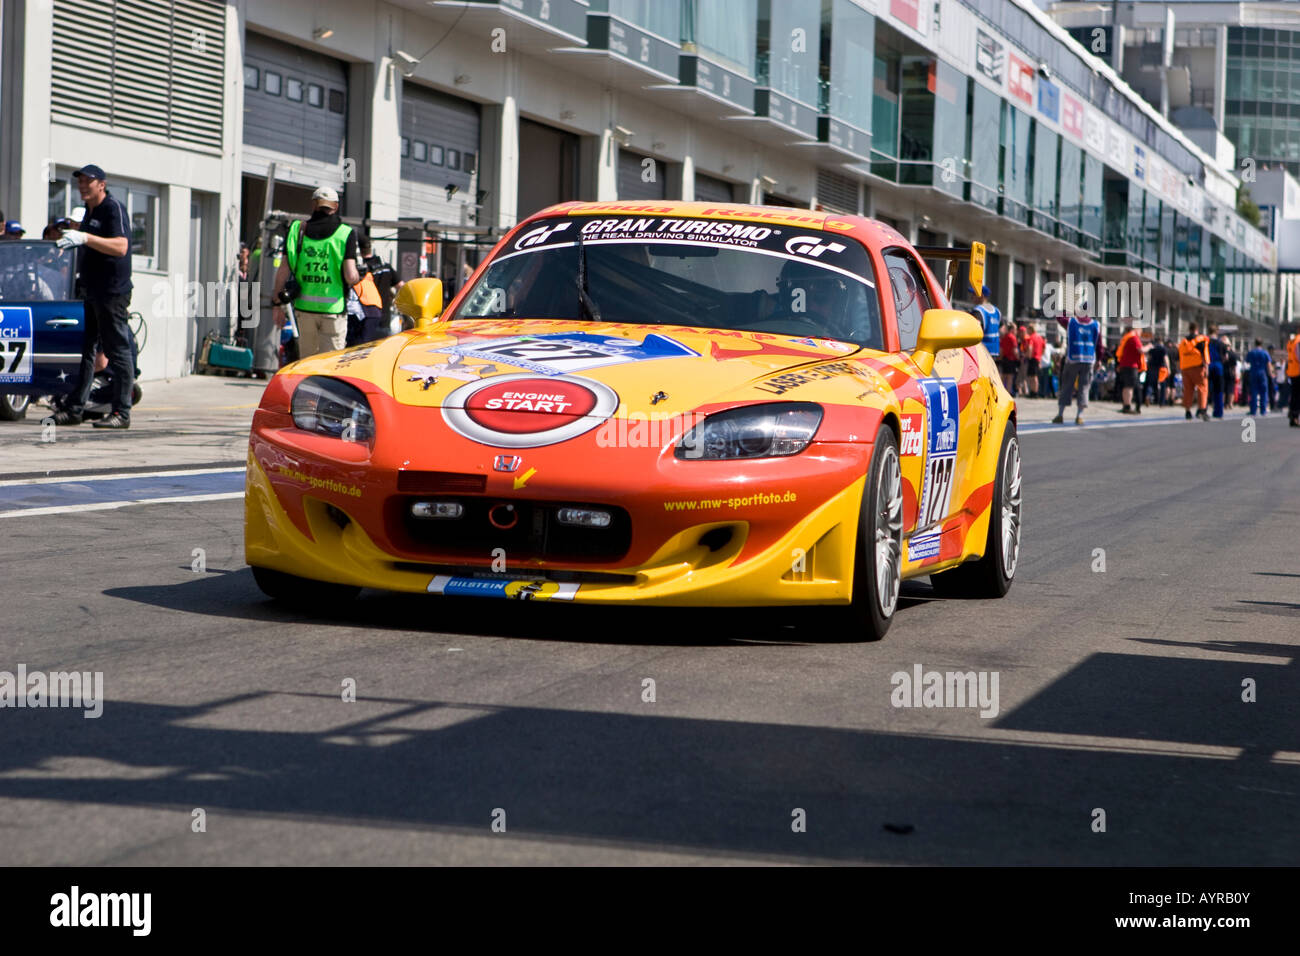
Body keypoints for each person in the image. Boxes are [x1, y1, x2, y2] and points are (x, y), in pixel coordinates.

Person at [50, 164, 134, 430]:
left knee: (117, 351)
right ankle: (75, 409)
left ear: (102, 184)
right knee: (86, 351)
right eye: (80, 181)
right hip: (92, 291)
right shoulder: (89, 211)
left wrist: (85, 237)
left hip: (112, 292)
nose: (83, 185)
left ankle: (121, 412)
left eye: (89, 181)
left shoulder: (113, 208)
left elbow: (121, 247)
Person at [271, 186, 360, 359]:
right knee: (330, 366)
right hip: (333, 310)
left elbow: (284, 269)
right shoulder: (345, 233)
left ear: (313, 205)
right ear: (335, 207)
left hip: (305, 310)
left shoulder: (297, 230)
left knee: (308, 363)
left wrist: (276, 305)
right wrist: (358, 277)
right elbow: (350, 276)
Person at [1052, 308, 1101, 425]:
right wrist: (1099, 359)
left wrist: (1069, 310)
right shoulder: (1095, 325)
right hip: (1089, 359)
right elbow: (1099, 345)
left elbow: (1059, 316)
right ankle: (1079, 416)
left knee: (1066, 386)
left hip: (1073, 358)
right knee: (1084, 387)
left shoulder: (1071, 322)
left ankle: (1060, 415)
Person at [1177, 322, 1210, 421]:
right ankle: (1202, 410)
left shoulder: (1183, 341)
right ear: (1197, 329)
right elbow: (1205, 354)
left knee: (1188, 390)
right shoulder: (1200, 340)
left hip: (1185, 368)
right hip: (1198, 368)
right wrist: (1206, 367)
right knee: (1202, 388)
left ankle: (1187, 411)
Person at [1115, 319, 1145, 414]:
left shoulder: (1127, 337)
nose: (1141, 332)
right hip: (1131, 366)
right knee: (1130, 387)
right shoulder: (1134, 338)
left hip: (1125, 365)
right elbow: (1141, 350)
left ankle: (1126, 405)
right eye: (1141, 330)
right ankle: (1128, 407)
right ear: (1137, 329)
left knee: (1127, 386)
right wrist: (1149, 347)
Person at [1244, 339, 1273, 416]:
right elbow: (1269, 364)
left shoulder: (1251, 352)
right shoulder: (1265, 353)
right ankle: (1263, 410)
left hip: (1253, 372)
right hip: (1262, 373)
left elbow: (1247, 361)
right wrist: (1271, 373)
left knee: (1254, 392)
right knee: (1263, 392)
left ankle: (1253, 410)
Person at [973, 285, 1000, 362]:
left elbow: (974, 331)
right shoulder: (996, 311)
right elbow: (1002, 331)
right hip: (994, 351)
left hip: (982, 350)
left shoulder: (978, 311)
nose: (972, 297)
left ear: (982, 296)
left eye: (974, 294)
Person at [1145, 336, 1167, 407]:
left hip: (1152, 367)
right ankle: (1162, 402)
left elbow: (1148, 357)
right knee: (1162, 384)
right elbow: (1165, 358)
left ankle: (1148, 395)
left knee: (1150, 384)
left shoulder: (1152, 348)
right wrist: (1168, 368)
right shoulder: (1163, 348)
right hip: (1161, 367)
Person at [999, 321, 1020, 393]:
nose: (1016, 331)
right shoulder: (1013, 337)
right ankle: (1008, 392)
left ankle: (1002, 392)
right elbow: (1015, 350)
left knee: (1003, 376)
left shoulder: (1004, 337)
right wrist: (1018, 358)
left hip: (1004, 359)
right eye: (1015, 329)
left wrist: (1000, 358)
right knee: (1009, 377)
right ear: (1012, 329)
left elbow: (1001, 350)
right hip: (1011, 359)